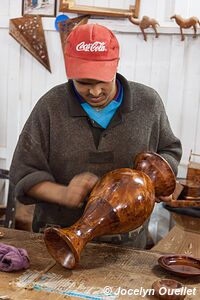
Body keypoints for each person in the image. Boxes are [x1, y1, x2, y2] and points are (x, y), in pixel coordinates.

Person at [10, 23, 182, 247]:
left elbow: (169, 151)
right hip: (58, 239)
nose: (94, 92)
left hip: (126, 245)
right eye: (83, 83)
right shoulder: (51, 106)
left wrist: (154, 181)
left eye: (102, 80)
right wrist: (64, 194)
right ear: (70, 72)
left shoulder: (148, 104)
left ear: (115, 67)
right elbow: (23, 173)